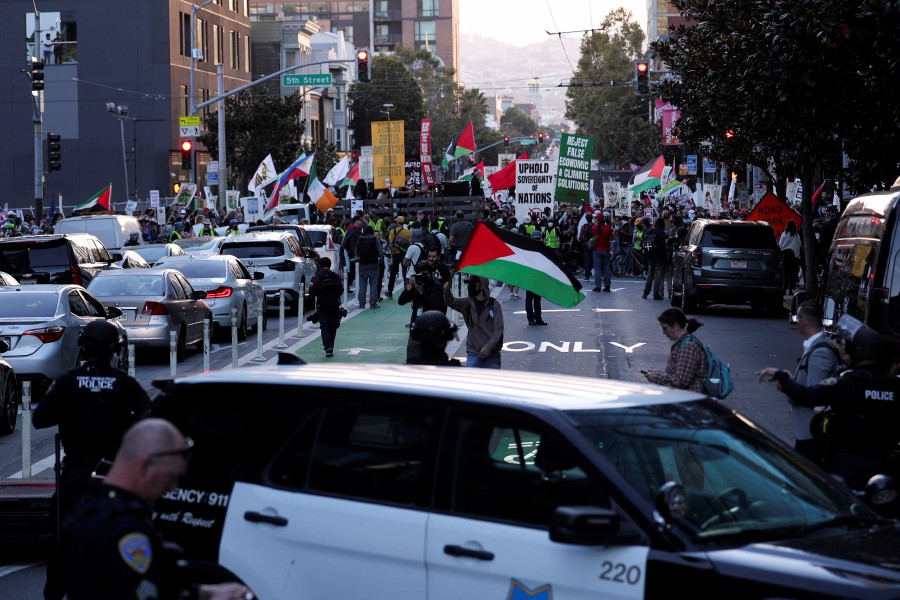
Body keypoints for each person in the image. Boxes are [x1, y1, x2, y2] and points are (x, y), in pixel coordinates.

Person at [44, 418, 255, 600]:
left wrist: (202, 591)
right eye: (170, 477)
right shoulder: (123, 528)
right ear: (146, 466)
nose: (173, 488)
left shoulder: (87, 507)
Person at [34, 320, 151, 520]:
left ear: (83, 347)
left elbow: (40, 419)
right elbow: (150, 419)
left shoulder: (67, 381)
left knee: (60, 524)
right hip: (115, 472)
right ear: (114, 349)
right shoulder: (124, 383)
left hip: (75, 471)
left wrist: (72, 409)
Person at [767, 315, 900, 490]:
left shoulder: (847, 383)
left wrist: (781, 376)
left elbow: (805, 395)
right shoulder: (893, 385)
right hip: (885, 467)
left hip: (846, 467)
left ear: (854, 352)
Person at [756, 301, 840, 463]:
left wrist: (787, 384)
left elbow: (814, 395)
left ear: (803, 322)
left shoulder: (820, 352)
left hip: (812, 434)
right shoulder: (817, 347)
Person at [443, 276, 504, 368]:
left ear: (482, 286)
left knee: (491, 381)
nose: (470, 286)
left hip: (492, 354)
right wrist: (447, 291)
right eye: (469, 284)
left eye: (473, 284)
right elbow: (451, 302)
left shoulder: (494, 305)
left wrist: (489, 346)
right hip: (474, 351)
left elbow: (498, 330)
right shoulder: (466, 303)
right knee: (470, 379)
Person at [643, 308, 707, 392]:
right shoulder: (684, 343)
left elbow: (681, 381)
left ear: (676, 326)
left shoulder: (688, 346)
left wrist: (657, 376)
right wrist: (657, 374)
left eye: (665, 328)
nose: (663, 332)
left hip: (688, 399)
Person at [399, 260, 447, 336]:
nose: (424, 276)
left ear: (431, 274)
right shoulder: (416, 285)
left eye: (426, 274)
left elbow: (436, 306)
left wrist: (421, 292)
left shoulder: (438, 287)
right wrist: (409, 287)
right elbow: (401, 301)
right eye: (421, 274)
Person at [308, 257, 344, 357]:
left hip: (321, 306)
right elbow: (341, 290)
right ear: (329, 265)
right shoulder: (336, 276)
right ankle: (330, 346)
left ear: (319, 265)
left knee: (324, 327)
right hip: (334, 305)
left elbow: (311, 292)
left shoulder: (316, 277)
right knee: (333, 327)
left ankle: (328, 348)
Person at [355, 225, 382, 309]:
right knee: (374, 285)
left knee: (362, 285)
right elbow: (380, 253)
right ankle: (373, 304)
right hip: (374, 265)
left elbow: (356, 254)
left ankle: (362, 304)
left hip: (363, 266)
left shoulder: (359, 239)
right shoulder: (375, 239)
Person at [642, 217, 668, 300]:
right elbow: (663, 246)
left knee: (650, 274)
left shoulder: (649, 231)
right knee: (657, 275)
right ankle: (656, 293)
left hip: (650, 255)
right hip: (659, 256)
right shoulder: (661, 232)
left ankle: (646, 292)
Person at [385, 216, 410, 300]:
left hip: (395, 255)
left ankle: (390, 292)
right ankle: (407, 292)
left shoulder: (393, 231)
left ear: (398, 222)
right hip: (405, 255)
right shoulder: (408, 232)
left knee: (393, 274)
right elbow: (410, 244)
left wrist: (392, 253)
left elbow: (391, 243)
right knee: (405, 274)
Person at [591, 214, 613, 293]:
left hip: (597, 250)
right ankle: (607, 286)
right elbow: (611, 238)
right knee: (606, 269)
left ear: (597, 219)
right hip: (606, 249)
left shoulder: (594, 228)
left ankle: (598, 286)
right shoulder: (608, 228)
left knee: (597, 269)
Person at [779, 220, 801, 294]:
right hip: (793, 255)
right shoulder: (796, 235)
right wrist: (797, 255)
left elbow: (780, 244)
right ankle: (791, 289)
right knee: (792, 272)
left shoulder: (784, 234)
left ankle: (784, 289)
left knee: (784, 272)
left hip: (785, 254)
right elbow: (799, 245)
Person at [578, 213, 594, 281]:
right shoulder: (595, 226)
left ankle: (587, 276)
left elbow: (580, 237)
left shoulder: (584, 226)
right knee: (593, 260)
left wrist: (581, 241)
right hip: (593, 245)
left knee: (587, 261)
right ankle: (592, 272)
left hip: (586, 245)